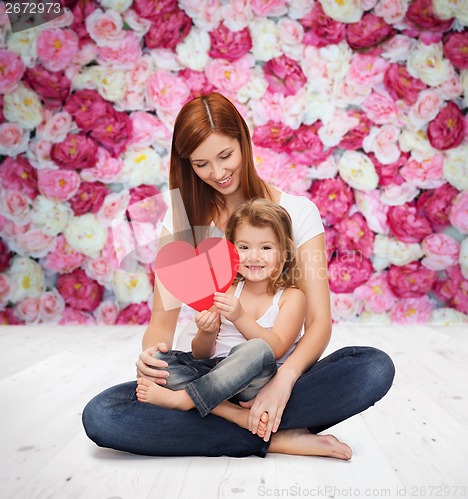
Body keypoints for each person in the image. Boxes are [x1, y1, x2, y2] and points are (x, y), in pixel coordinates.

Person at [82, 92, 395, 459]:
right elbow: (161, 325)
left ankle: (242, 420)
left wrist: (281, 383)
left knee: (373, 367)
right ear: (187, 164)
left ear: (243, 141)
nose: (217, 173)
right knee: (101, 415)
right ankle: (270, 436)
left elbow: (319, 323)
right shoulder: (181, 222)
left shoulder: (297, 212)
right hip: (202, 371)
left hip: (274, 374)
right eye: (201, 164)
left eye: (225, 156)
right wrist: (150, 357)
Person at [136, 199, 317, 447]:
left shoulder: (291, 298)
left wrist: (240, 317)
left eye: (265, 248)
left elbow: (275, 349)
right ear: (231, 251)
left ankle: (185, 401)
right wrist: (206, 332)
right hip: (215, 376)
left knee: (257, 349)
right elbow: (201, 355)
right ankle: (230, 414)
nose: (254, 256)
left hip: (256, 384)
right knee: (159, 358)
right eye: (244, 247)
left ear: (284, 253)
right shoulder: (227, 289)